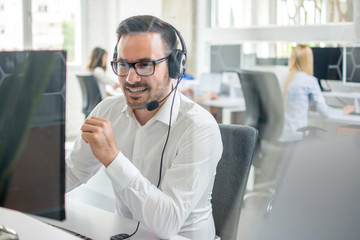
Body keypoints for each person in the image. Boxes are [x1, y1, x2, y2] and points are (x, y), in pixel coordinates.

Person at [66, 15, 223, 239]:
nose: (130, 78)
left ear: (174, 66)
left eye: (144, 65)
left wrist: (113, 158)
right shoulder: (108, 111)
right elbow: (73, 171)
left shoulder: (199, 128)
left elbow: (167, 224)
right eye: (123, 64)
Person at [279, 44, 355, 142]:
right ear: (309, 60)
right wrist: (343, 111)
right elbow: (325, 113)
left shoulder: (283, 78)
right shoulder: (309, 80)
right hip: (297, 135)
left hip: (281, 135)